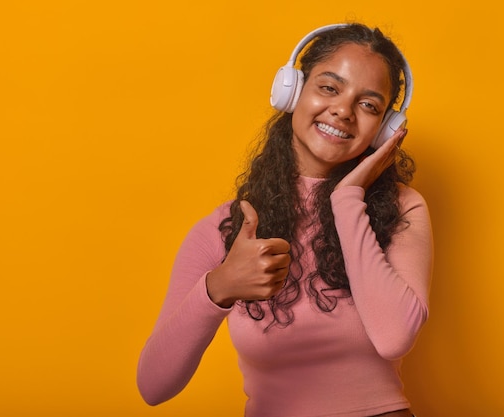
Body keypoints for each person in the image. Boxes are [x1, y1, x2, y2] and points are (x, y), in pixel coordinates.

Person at [137, 22, 433, 417]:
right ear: (292, 92)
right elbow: (154, 385)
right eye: (329, 87)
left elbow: (394, 337)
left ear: (385, 131)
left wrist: (348, 198)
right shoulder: (228, 227)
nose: (343, 110)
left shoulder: (404, 209)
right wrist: (219, 287)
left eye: (368, 105)